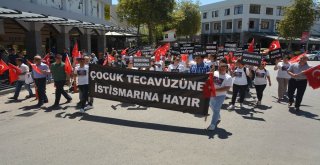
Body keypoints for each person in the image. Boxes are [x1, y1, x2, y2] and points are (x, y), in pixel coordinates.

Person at [207, 59, 233, 131]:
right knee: (212, 106)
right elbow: (209, 79)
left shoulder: (228, 77)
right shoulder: (214, 73)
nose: (222, 68)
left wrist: (215, 90)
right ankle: (217, 116)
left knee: (216, 109)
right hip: (211, 94)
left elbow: (227, 88)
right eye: (220, 66)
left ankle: (213, 124)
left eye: (224, 67)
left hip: (220, 96)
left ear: (226, 68)